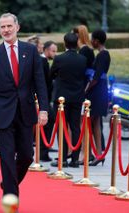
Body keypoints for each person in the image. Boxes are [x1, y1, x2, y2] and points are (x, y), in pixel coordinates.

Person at [0, 13, 49, 197]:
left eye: (9, 26)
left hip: (26, 112)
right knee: (6, 156)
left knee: (27, 156)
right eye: (2, 27)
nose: (6, 30)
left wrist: (43, 109)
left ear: (17, 27)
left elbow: (40, 83)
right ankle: (11, 197)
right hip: (3, 114)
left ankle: (9, 183)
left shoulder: (31, 51)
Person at [49, 33, 87, 168]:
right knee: (75, 127)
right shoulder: (82, 59)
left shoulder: (59, 58)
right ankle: (75, 159)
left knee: (61, 127)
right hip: (77, 97)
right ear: (77, 43)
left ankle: (63, 158)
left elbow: (51, 74)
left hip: (61, 98)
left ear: (64, 43)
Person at [86, 29, 111, 166]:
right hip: (99, 90)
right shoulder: (102, 54)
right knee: (95, 123)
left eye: (92, 39)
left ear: (96, 40)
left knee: (93, 122)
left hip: (97, 91)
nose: (91, 41)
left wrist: (86, 89)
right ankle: (97, 153)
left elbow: (96, 77)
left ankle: (97, 153)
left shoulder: (103, 55)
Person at [73, 25, 96, 164]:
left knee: (83, 123)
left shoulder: (85, 51)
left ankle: (85, 152)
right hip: (82, 88)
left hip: (84, 89)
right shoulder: (84, 50)